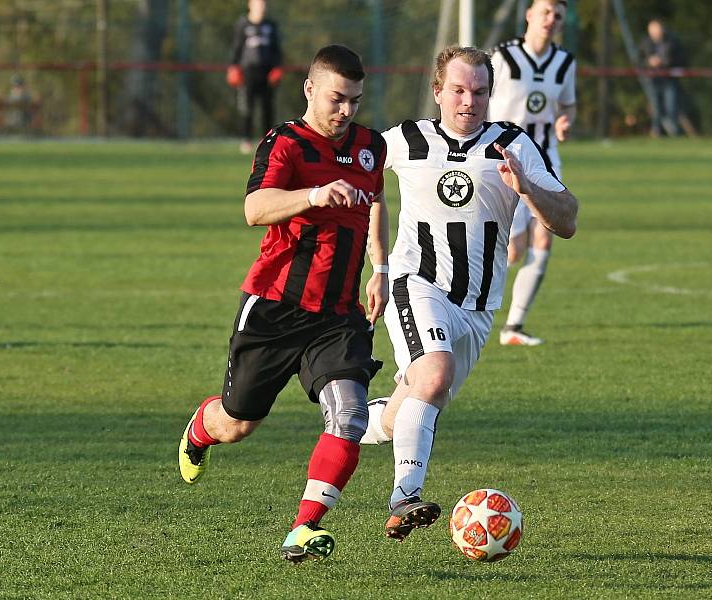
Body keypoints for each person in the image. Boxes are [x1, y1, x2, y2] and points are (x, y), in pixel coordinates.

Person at [179, 44, 390, 563]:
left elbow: (377, 199)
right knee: (238, 423)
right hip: (275, 307)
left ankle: (304, 528)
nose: (346, 112)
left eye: (355, 101)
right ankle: (200, 431)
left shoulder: (369, 145)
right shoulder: (286, 142)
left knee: (349, 416)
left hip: (339, 314)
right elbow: (254, 208)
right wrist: (314, 195)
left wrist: (380, 266)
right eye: (337, 99)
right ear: (310, 89)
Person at [360, 46, 578, 541]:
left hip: (478, 311)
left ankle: (349, 423)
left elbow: (566, 220)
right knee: (433, 376)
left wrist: (527, 189)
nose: (468, 101)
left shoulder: (514, 145)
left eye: (479, 91)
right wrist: (377, 266)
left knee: (409, 410)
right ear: (437, 91)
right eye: (458, 90)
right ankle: (404, 499)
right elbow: (364, 183)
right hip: (417, 283)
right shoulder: (406, 139)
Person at [488, 0, 577, 346]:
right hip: (505, 158)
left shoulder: (564, 63)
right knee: (513, 250)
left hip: (546, 159)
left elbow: (567, 103)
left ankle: (513, 327)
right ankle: (462, 299)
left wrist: (566, 120)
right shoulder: (503, 57)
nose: (551, 20)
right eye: (545, 12)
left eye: (557, 16)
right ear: (529, 15)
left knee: (544, 237)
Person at [230, 0, 283, 153]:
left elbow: (276, 49)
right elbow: (237, 47)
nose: (262, 7)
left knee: (268, 107)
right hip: (248, 71)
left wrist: (278, 67)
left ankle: (267, 139)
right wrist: (234, 67)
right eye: (258, 4)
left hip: (267, 71)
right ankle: (246, 140)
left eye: (264, 4)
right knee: (247, 107)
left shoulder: (270, 25)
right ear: (250, 5)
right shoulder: (243, 24)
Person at [639, 18, 686, 137]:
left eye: (656, 29)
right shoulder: (645, 42)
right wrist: (648, 62)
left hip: (669, 79)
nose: (654, 32)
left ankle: (673, 132)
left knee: (671, 107)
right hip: (652, 80)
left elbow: (681, 59)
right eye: (652, 29)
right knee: (656, 107)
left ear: (662, 28)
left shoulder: (672, 41)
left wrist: (664, 62)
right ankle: (657, 131)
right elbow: (639, 60)